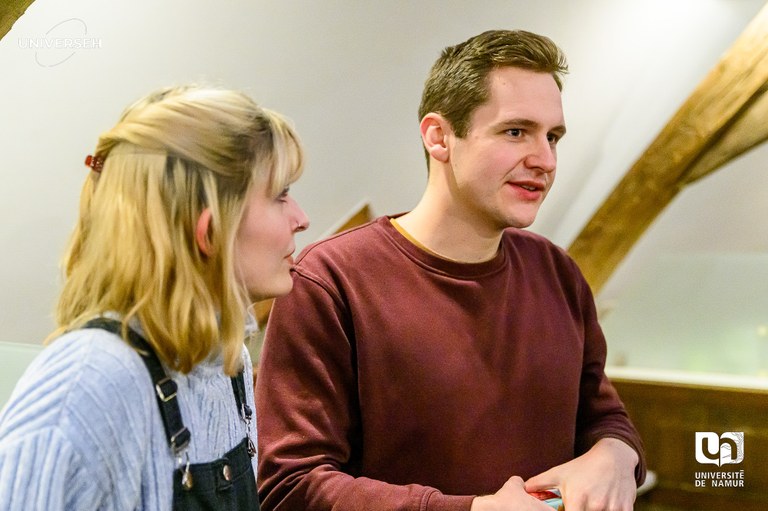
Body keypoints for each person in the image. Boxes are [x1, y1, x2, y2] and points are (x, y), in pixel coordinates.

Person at [255, 29, 646, 511]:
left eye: (553, 137)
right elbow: (291, 487)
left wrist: (616, 453)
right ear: (438, 137)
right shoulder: (331, 281)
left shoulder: (557, 272)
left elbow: (604, 416)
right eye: (515, 132)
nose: (545, 160)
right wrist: (471, 510)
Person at [0, 85, 309, 510]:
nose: (301, 218)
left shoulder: (226, 360)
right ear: (210, 230)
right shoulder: (86, 385)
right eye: (280, 196)